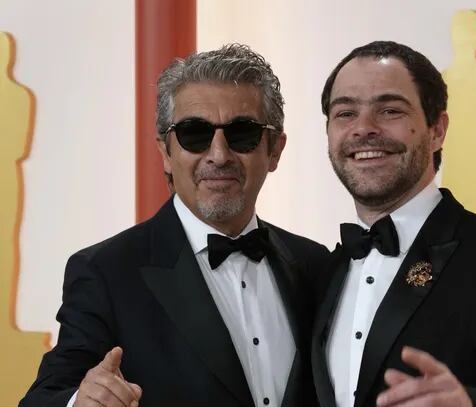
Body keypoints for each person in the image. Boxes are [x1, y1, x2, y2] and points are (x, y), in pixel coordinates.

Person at [20, 44, 329, 407]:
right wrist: (80, 402)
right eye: (194, 134)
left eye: (242, 133)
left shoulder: (315, 265)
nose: (218, 155)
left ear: (274, 150)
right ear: (166, 153)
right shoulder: (106, 272)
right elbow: (43, 398)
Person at [311, 41, 476, 407]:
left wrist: (469, 404)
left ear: (437, 130)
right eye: (345, 113)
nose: (363, 129)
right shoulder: (324, 270)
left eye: (389, 110)